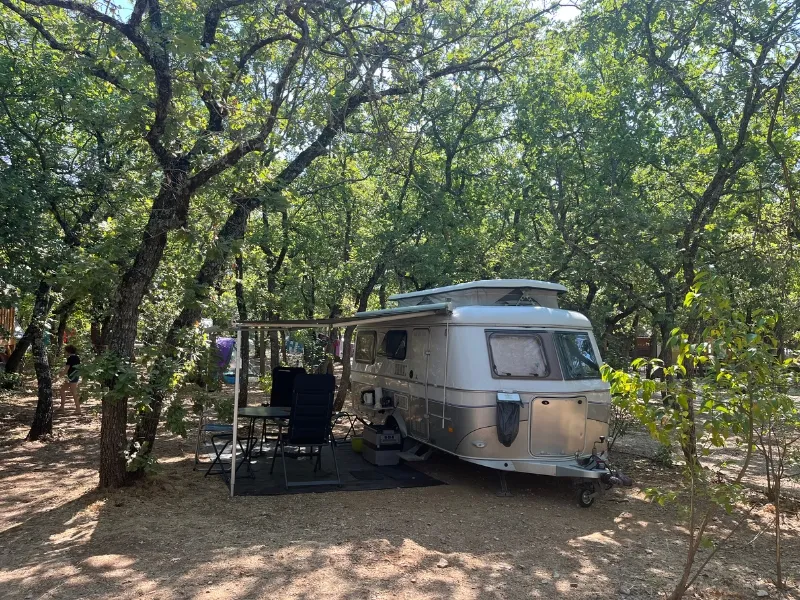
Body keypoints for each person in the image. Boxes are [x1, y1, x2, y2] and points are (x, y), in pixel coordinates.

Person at [59, 344, 82, 415]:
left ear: (68, 351)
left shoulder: (70, 358)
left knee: (74, 393)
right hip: (73, 377)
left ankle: (78, 410)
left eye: (65, 351)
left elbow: (66, 369)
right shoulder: (77, 358)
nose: (65, 353)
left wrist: (60, 374)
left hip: (72, 377)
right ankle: (62, 407)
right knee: (62, 389)